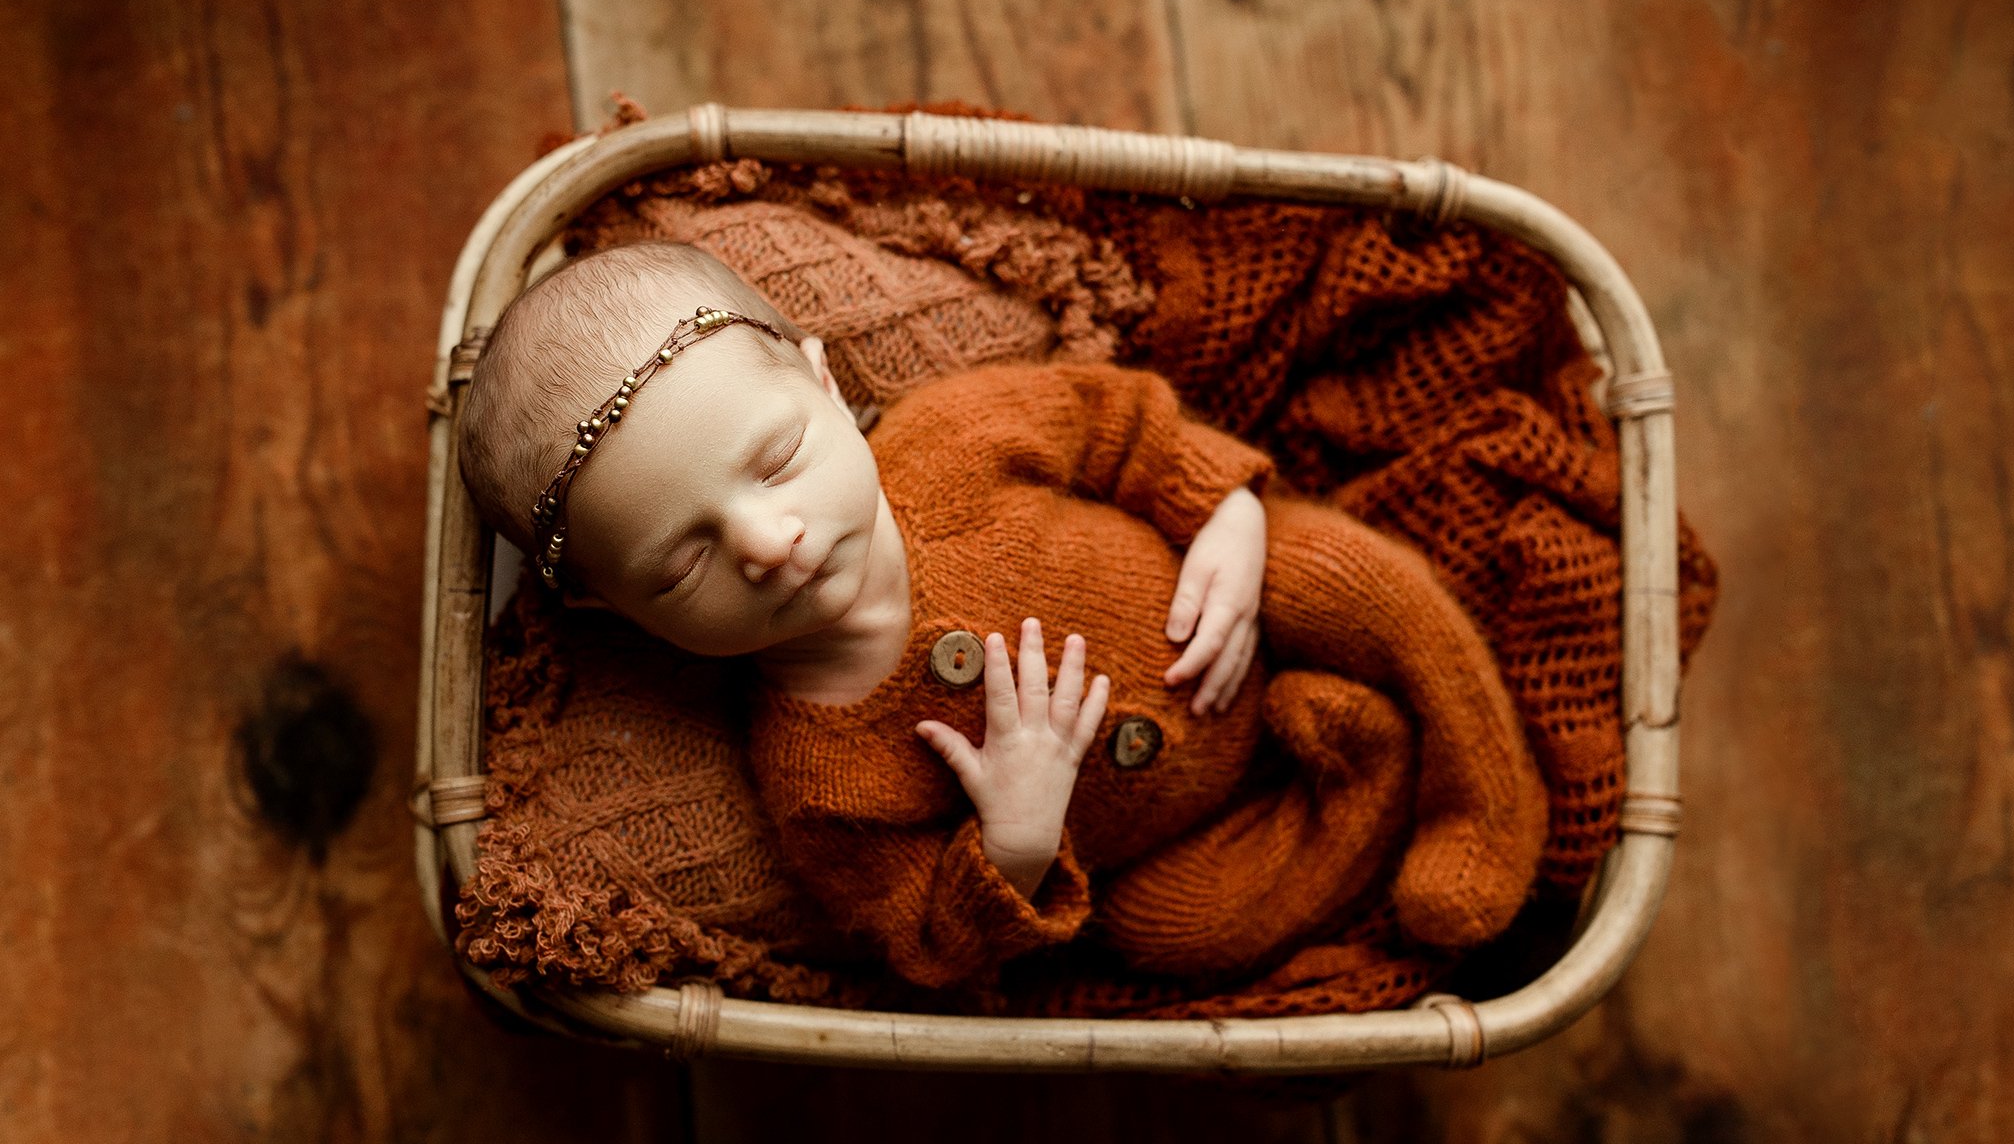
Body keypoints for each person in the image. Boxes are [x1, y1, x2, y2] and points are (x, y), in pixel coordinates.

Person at [457, 241, 1547, 990]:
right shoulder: (819, 780)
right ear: (612, 605)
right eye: (683, 559)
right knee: (1176, 933)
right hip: (1171, 840)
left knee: (1363, 583)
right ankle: (1368, 782)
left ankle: (1481, 800)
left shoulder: (954, 437)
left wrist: (1223, 512)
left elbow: (1119, 421)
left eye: (777, 460)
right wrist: (1013, 847)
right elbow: (923, 941)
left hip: (1236, 593)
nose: (766, 541)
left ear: (824, 385)